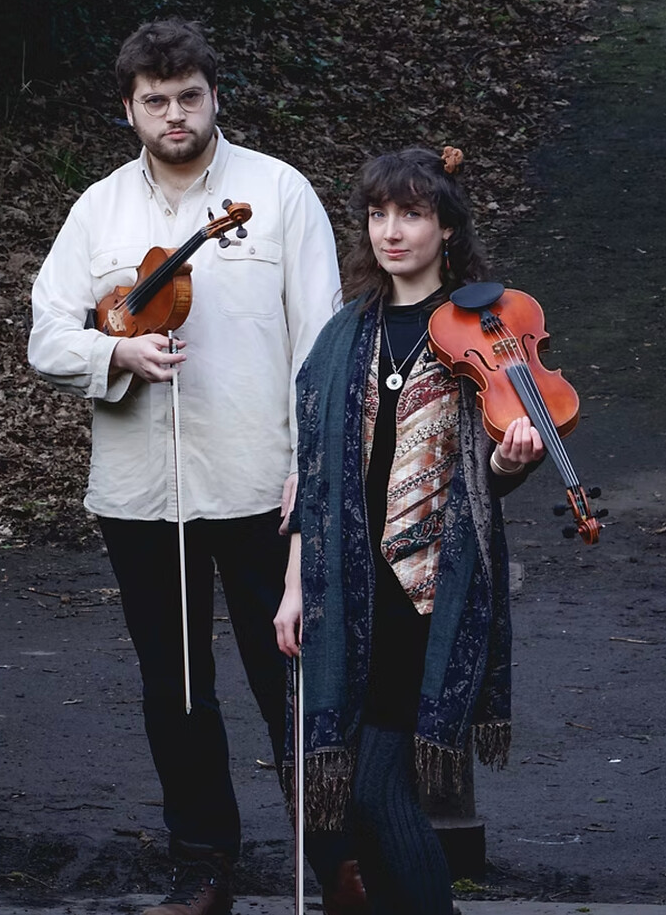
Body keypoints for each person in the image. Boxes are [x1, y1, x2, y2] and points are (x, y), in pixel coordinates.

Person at [28, 17, 340, 915]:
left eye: (189, 97)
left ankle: (338, 863)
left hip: (261, 482)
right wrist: (114, 354)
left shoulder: (277, 192)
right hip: (141, 492)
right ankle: (204, 867)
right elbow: (47, 334)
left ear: (214, 97)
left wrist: (313, 469)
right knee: (177, 687)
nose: (175, 114)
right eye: (155, 100)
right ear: (129, 109)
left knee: (292, 679)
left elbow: (321, 344)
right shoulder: (98, 209)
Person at [273, 145, 544, 915]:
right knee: (360, 800)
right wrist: (294, 585)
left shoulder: (482, 333)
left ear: (446, 228)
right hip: (343, 591)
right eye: (379, 214)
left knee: (374, 786)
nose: (392, 230)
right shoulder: (341, 337)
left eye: (413, 214)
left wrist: (508, 460)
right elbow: (312, 478)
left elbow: (490, 468)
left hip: (426, 595)